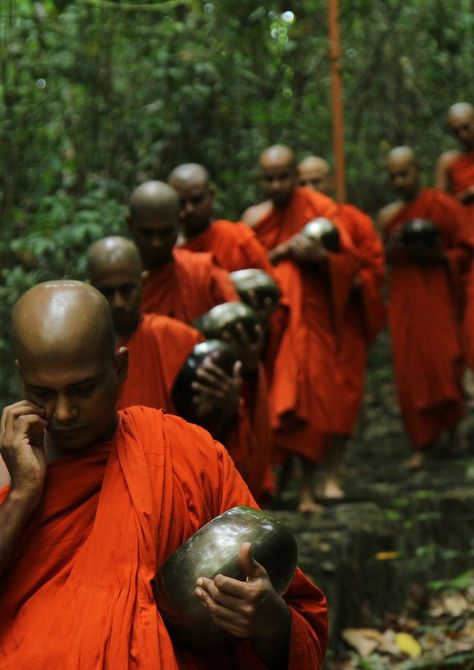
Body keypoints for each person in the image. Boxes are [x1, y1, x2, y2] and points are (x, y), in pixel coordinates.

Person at [0, 280, 328, 669]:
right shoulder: (9, 461)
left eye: (83, 389)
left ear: (119, 367)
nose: (65, 412)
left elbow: (290, 615)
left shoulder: (184, 454)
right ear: (22, 378)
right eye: (43, 394)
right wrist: (22, 495)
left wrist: (269, 622)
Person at [242, 144, 360, 512]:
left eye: (283, 177)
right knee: (268, 402)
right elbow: (240, 269)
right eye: (269, 178)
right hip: (270, 326)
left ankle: (309, 488)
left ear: (294, 176)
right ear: (260, 179)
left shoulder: (320, 209)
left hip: (310, 320)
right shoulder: (253, 217)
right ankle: (273, 483)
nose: (276, 185)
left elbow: (349, 261)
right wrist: (281, 254)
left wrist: (320, 258)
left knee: (308, 401)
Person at [377, 146, 472, 468]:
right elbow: (382, 260)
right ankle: (421, 442)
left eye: (405, 173)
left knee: (445, 359)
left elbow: (465, 247)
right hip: (405, 297)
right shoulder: (388, 217)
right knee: (410, 371)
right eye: (393, 176)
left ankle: (454, 433)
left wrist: (440, 258)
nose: (400, 181)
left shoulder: (440, 204)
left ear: (418, 171)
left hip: (437, 291)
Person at [297, 155, 385, 498]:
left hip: (345, 323)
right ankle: (305, 481)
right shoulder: (292, 219)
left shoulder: (355, 222)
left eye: (316, 182)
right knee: (308, 399)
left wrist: (332, 266)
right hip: (310, 322)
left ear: (331, 182)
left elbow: (373, 272)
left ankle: (332, 474)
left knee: (344, 400)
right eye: (303, 183)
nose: (310, 190)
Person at [87, 236, 202, 413]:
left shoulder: (178, 338)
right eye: (107, 292)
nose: (118, 302)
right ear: (91, 290)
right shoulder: (81, 350)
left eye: (126, 290)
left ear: (144, 283)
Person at [127, 180, 239, 322]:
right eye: (147, 233)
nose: (156, 243)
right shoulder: (117, 284)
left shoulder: (203, 271)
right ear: (130, 224)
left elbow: (236, 322)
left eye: (165, 232)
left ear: (179, 222)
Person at [168, 163, 273, 273]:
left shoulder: (236, 237)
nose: (189, 209)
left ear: (211, 195)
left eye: (196, 200)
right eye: (181, 202)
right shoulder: (169, 252)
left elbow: (270, 283)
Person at [434, 102, 474, 223]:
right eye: (456, 131)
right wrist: (466, 196)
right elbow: (439, 207)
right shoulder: (448, 161)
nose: (462, 135)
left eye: (465, 127)